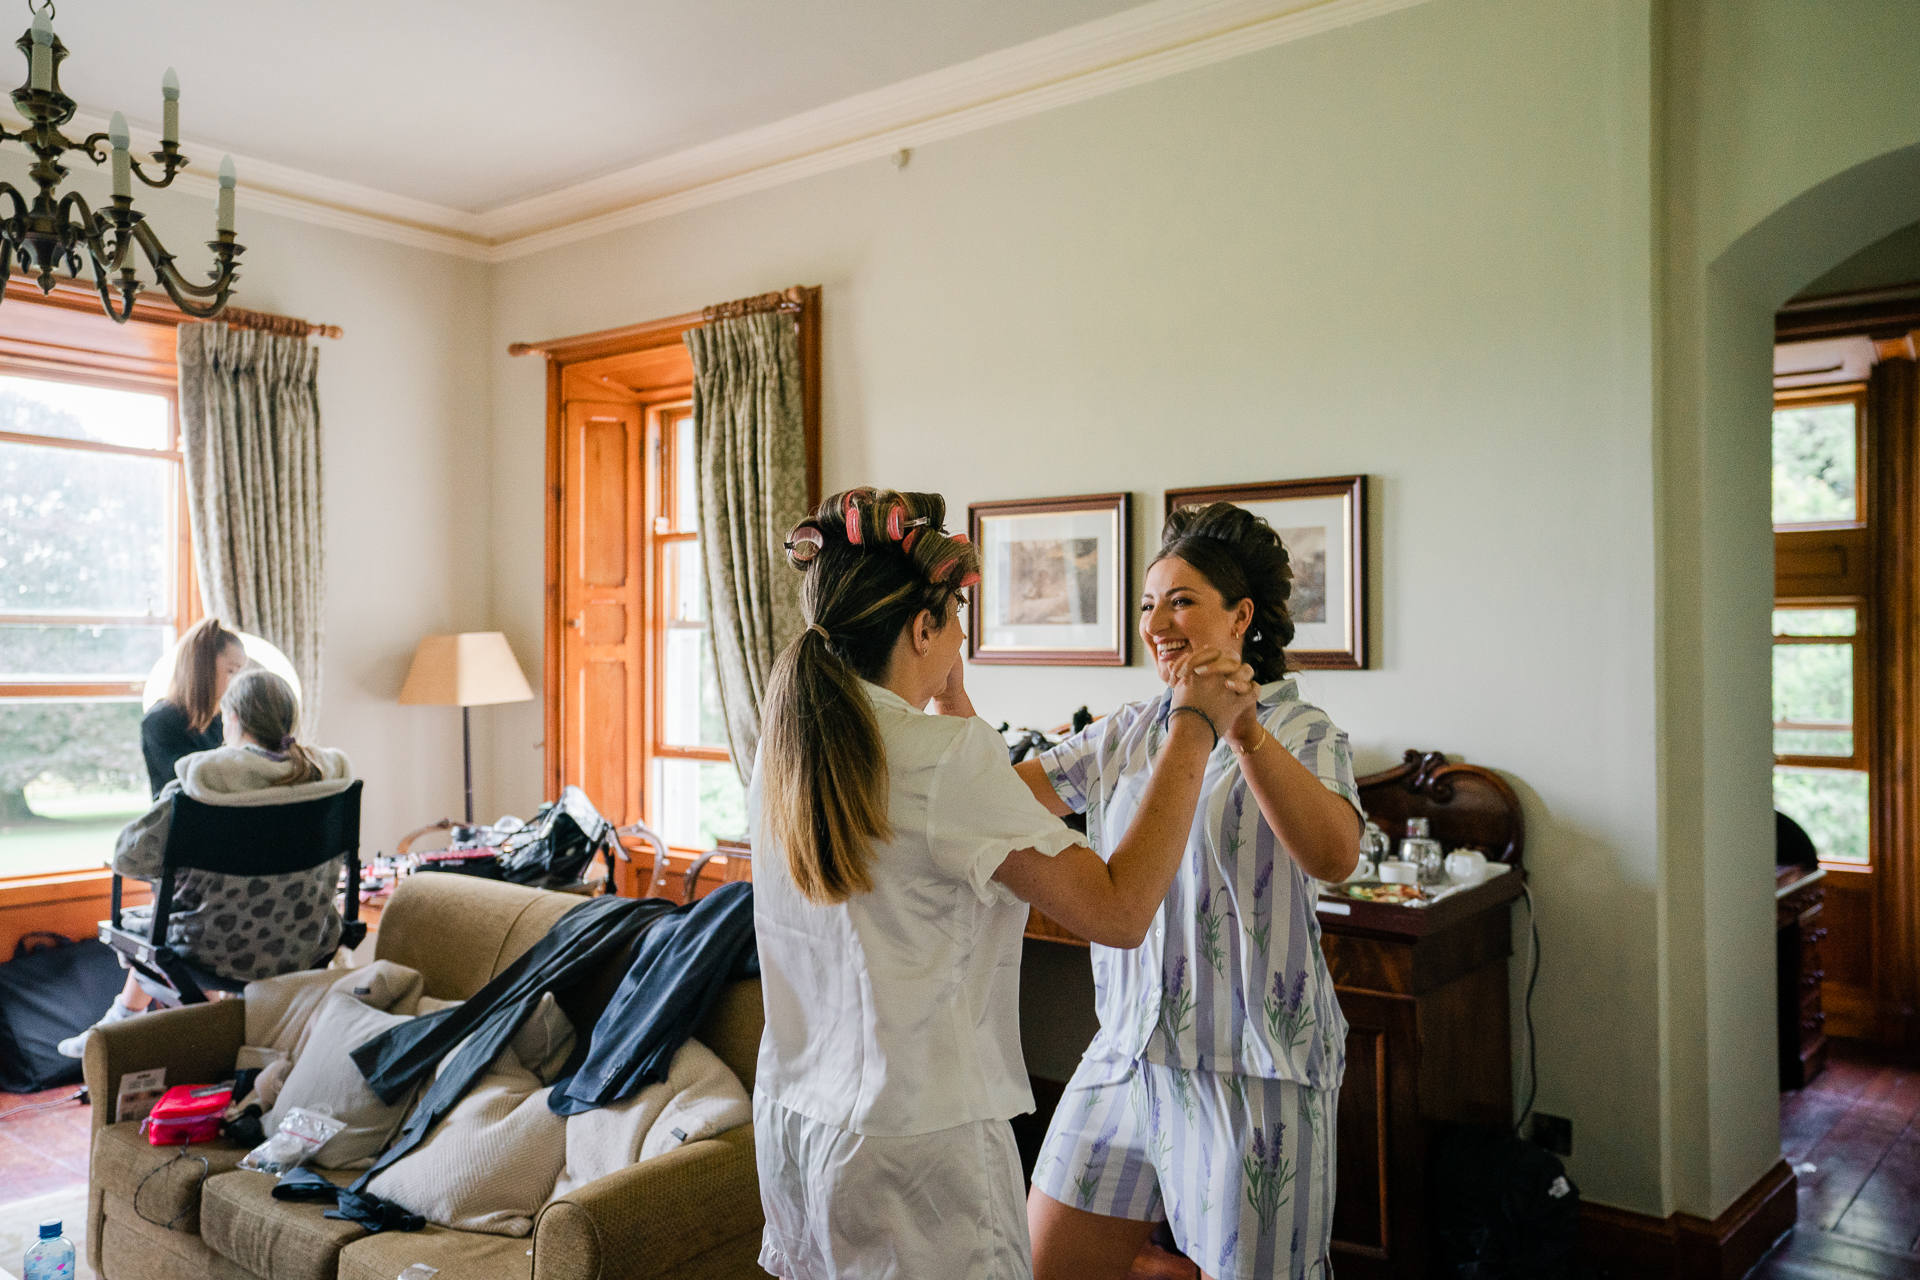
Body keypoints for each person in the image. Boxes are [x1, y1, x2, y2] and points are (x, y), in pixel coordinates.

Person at [751, 487, 1256, 1280]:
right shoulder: (942, 761)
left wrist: (954, 706)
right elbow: (1120, 911)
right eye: (956, 624)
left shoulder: (792, 747)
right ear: (926, 628)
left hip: (798, 1123)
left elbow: (933, 826)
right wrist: (1193, 728)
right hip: (921, 1144)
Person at [1020, 502, 1364, 1280]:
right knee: (1042, 1266)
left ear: (1241, 616)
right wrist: (944, 702)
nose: (1158, 623)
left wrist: (1243, 733)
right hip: (1128, 1053)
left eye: (1182, 601)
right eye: (1149, 604)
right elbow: (1009, 796)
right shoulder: (1129, 728)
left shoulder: (1301, 727)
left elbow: (1336, 854)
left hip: (1253, 1069)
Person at [58, 668, 354, 1058]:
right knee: (164, 923)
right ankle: (124, 1023)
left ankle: (122, 1027)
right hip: (305, 938)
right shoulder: (327, 783)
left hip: (220, 946)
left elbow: (130, 857)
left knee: (153, 926)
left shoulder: (200, 787)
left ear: (231, 719)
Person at [142, 616, 248, 797]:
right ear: (203, 667)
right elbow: (194, 785)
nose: (236, 682)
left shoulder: (227, 719)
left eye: (239, 673)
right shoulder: (160, 721)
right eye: (230, 671)